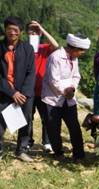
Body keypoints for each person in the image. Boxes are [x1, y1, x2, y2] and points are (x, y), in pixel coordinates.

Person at [41, 34, 91, 162]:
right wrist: (65, 91)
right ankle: (58, 153)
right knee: (53, 127)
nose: (82, 53)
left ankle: (79, 154)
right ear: (74, 48)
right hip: (52, 98)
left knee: (74, 126)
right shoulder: (56, 57)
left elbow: (76, 76)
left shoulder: (74, 58)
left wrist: (72, 89)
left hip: (69, 98)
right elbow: (53, 80)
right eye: (81, 50)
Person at [0, 16, 36, 162]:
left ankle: (21, 150)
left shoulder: (28, 48)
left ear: (20, 32)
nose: (12, 32)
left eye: (15, 30)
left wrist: (24, 94)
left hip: (24, 93)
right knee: (0, 122)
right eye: (9, 29)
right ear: (5, 30)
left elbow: (30, 72)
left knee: (26, 121)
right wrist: (12, 92)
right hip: (4, 91)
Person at [26, 20, 59, 154]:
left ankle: (47, 142)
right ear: (26, 33)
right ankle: (28, 142)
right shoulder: (23, 47)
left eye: (36, 31)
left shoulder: (44, 48)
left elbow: (56, 46)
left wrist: (42, 29)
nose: (33, 33)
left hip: (44, 90)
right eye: (31, 30)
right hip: (28, 90)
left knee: (47, 117)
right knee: (28, 117)